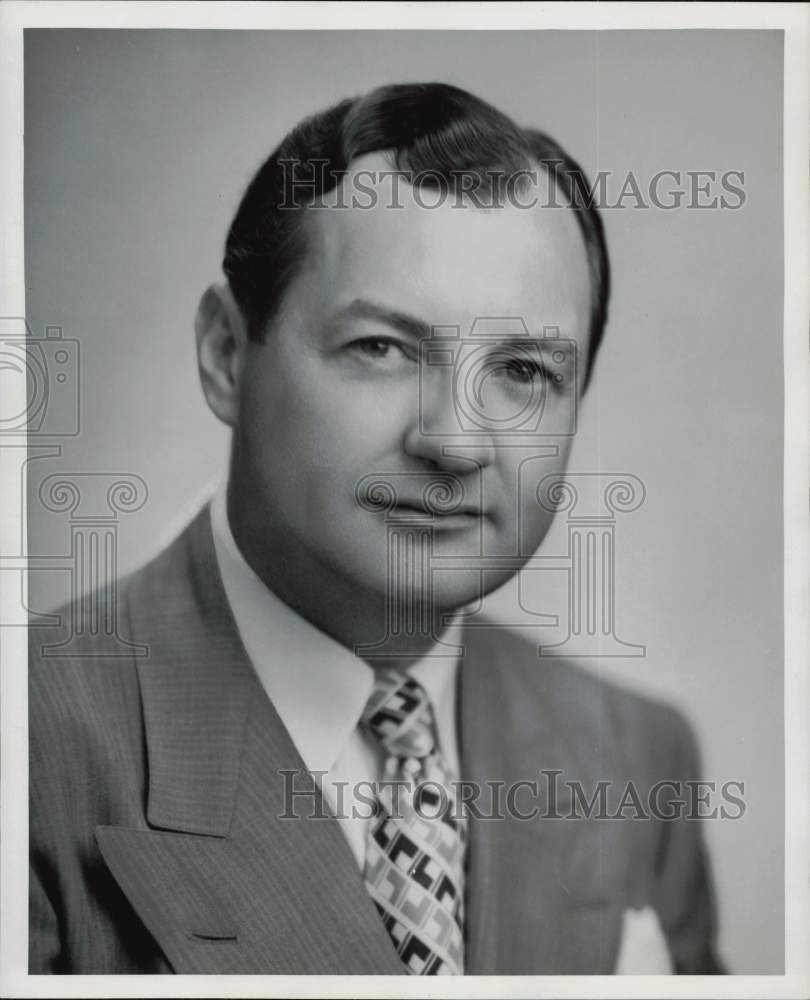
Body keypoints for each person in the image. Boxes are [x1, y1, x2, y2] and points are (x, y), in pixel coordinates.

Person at [29, 82, 723, 975]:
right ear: (226, 356)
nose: (455, 441)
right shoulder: (36, 753)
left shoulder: (638, 758)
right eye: (382, 349)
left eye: (521, 370)